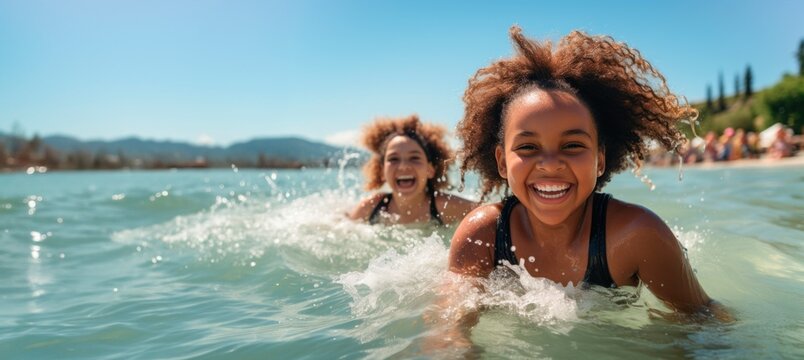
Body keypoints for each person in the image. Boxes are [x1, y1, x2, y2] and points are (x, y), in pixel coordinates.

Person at [426, 27, 729, 352]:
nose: (550, 163)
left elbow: (705, 321)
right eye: (528, 147)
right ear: (502, 162)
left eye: (572, 145)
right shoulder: (483, 235)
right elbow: (448, 330)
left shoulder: (635, 236)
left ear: (600, 160)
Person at [348, 115, 477, 225]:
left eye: (414, 158)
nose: (403, 166)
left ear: (430, 170)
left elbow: (490, 216)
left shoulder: (447, 207)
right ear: (381, 171)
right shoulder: (370, 208)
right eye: (393, 159)